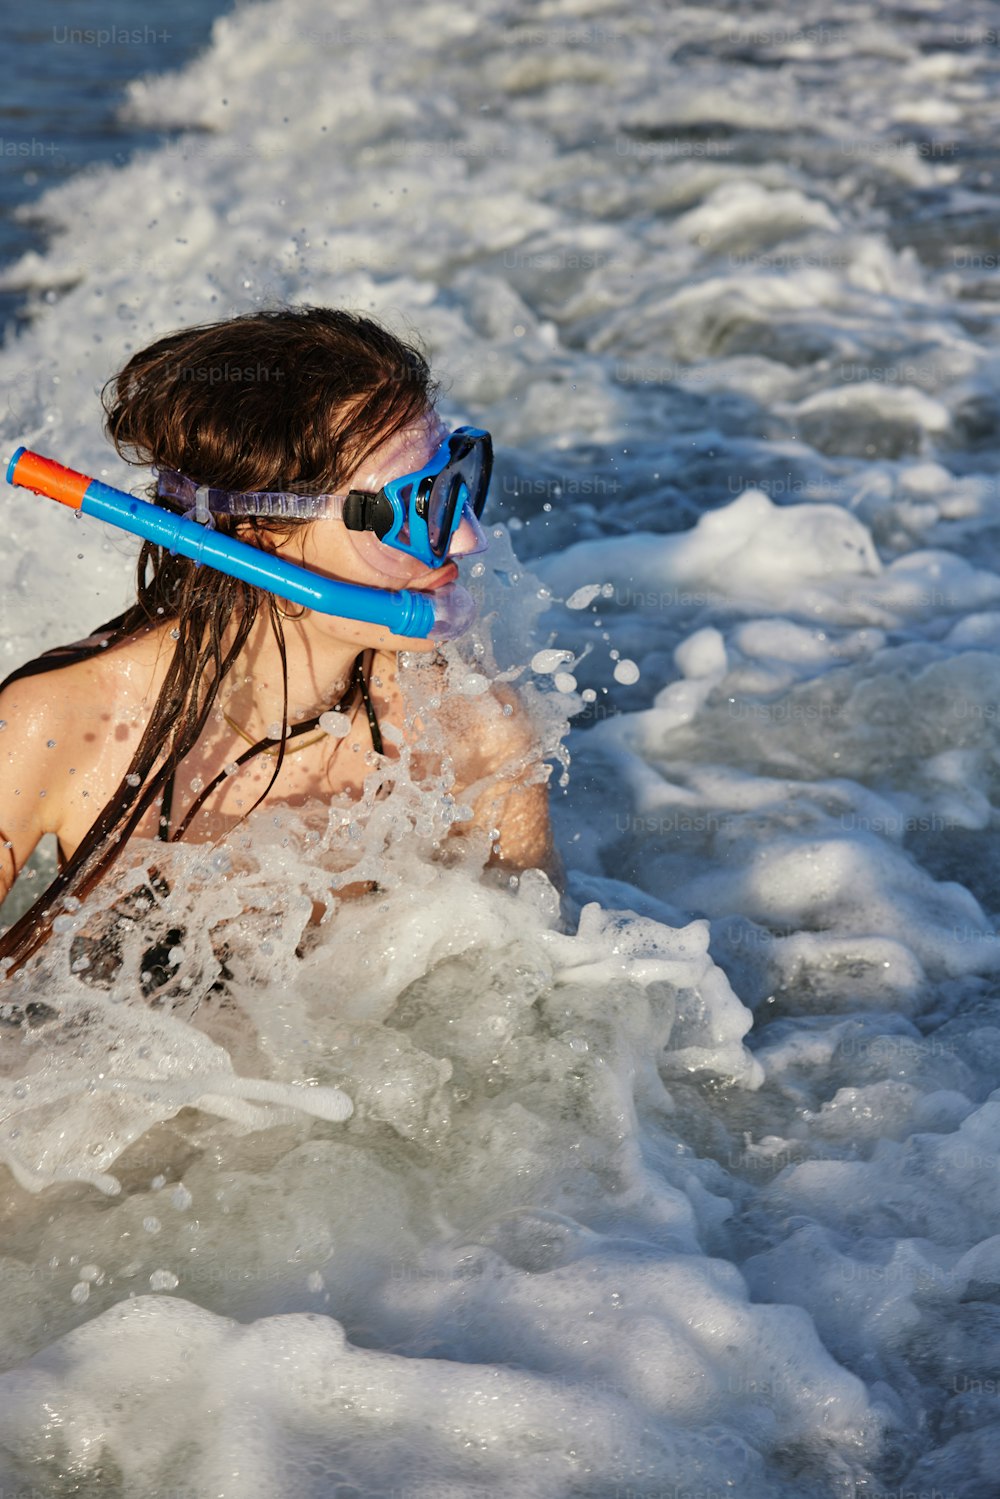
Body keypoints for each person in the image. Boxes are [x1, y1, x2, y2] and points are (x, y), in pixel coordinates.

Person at [0, 307, 556, 979]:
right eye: (416, 505)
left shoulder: (478, 739)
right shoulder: (56, 728)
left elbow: (548, 1010)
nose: (468, 537)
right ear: (258, 538)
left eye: (456, 484)